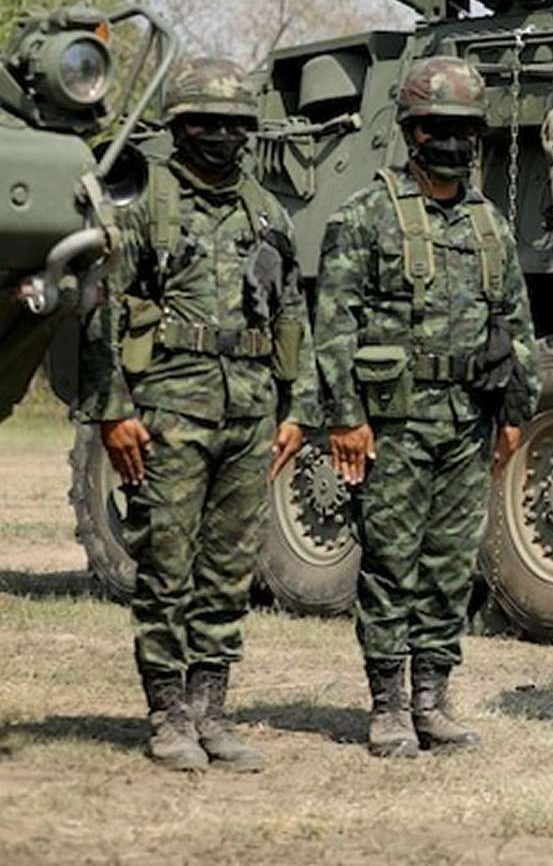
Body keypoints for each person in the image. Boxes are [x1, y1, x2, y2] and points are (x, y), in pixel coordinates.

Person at [74, 56, 317, 772]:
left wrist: (296, 405)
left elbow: (292, 308)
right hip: (168, 413)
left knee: (228, 570)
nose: (220, 135)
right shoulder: (147, 204)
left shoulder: (265, 210)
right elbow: (100, 311)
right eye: (204, 123)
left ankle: (211, 709)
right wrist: (112, 413)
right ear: (179, 128)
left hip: (248, 414)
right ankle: (167, 713)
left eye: (233, 124)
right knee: (167, 565)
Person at [311, 55, 535, 758]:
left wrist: (514, 413)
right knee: (391, 564)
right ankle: (388, 705)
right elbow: (335, 324)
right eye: (440, 128)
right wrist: (346, 418)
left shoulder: (490, 224)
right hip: (395, 427)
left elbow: (517, 324)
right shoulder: (366, 215)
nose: (455, 142)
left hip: (468, 424)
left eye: (466, 130)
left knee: (448, 566)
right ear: (412, 132)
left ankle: (433, 698)